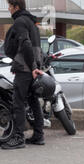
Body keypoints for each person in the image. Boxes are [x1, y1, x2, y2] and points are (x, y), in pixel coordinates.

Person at [2, 0, 44, 150]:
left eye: (9, 6)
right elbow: (37, 47)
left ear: (16, 7)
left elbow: (25, 44)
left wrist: (31, 66)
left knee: (18, 102)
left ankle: (18, 138)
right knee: (33, 100)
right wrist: (37, 65)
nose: (8, 9)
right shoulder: (32, 22)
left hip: (25, 68)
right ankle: (39, 135)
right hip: (34, 66)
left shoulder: (20, 21)